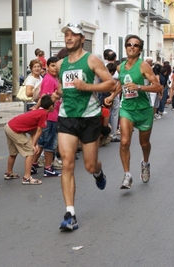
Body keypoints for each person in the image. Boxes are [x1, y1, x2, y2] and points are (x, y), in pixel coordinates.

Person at [57, 23, 116, 231]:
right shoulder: (61, 64)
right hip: (67, 117)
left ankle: (98, 173)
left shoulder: (91, 60)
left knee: (90, 165)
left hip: (89, 117)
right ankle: (70, 213)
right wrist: (57, 94)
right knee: (67, 163)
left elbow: (112, 84)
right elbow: (61, 88)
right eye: (66, 34)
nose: (69, 37)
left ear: (82, 39)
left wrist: (87, 87)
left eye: (73, 34)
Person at [104, 34, 162, 190]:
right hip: (127, 109)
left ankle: (145, 163)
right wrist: (112, 95)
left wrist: (140, 87)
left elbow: (158, 87)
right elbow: (121, 84)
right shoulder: (120, 67)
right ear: (126, 47)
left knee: (144, 143)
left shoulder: (143, 66)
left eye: (135, 45)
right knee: (124, 142)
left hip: (143, 110)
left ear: (140, 50)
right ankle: (127, 175)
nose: (131, 47)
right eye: (129, 44)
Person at [3, 94, 54, 185]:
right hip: (15, 130)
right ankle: (27, 177)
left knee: (13, 152)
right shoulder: (43, 114)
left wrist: (35, 143)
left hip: (9, 126)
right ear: (51, 106)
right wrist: (33, 145)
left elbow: (33, 130)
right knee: (30, 152)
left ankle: (8, 173)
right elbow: (39, 131)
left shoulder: (38, 111)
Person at [31, 57, 61, 177]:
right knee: (49, 143)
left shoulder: (53, 79)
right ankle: (48, 167)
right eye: (52, 66)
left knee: (43, 142)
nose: (55, 68)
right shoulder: (49, 80)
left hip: (51, 115)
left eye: (57, 66)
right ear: (47, 67)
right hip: (50, 115)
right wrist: (38, 108)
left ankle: (33, 164)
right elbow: (44, 97)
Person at [105, 51, 121, 142]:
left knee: (108, 113)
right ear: (115, 58)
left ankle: (108, 133)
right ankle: (113, 134)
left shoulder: (103, 66)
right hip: (113, 93)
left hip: (104, 93)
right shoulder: (116, 69)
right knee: (114, 114)